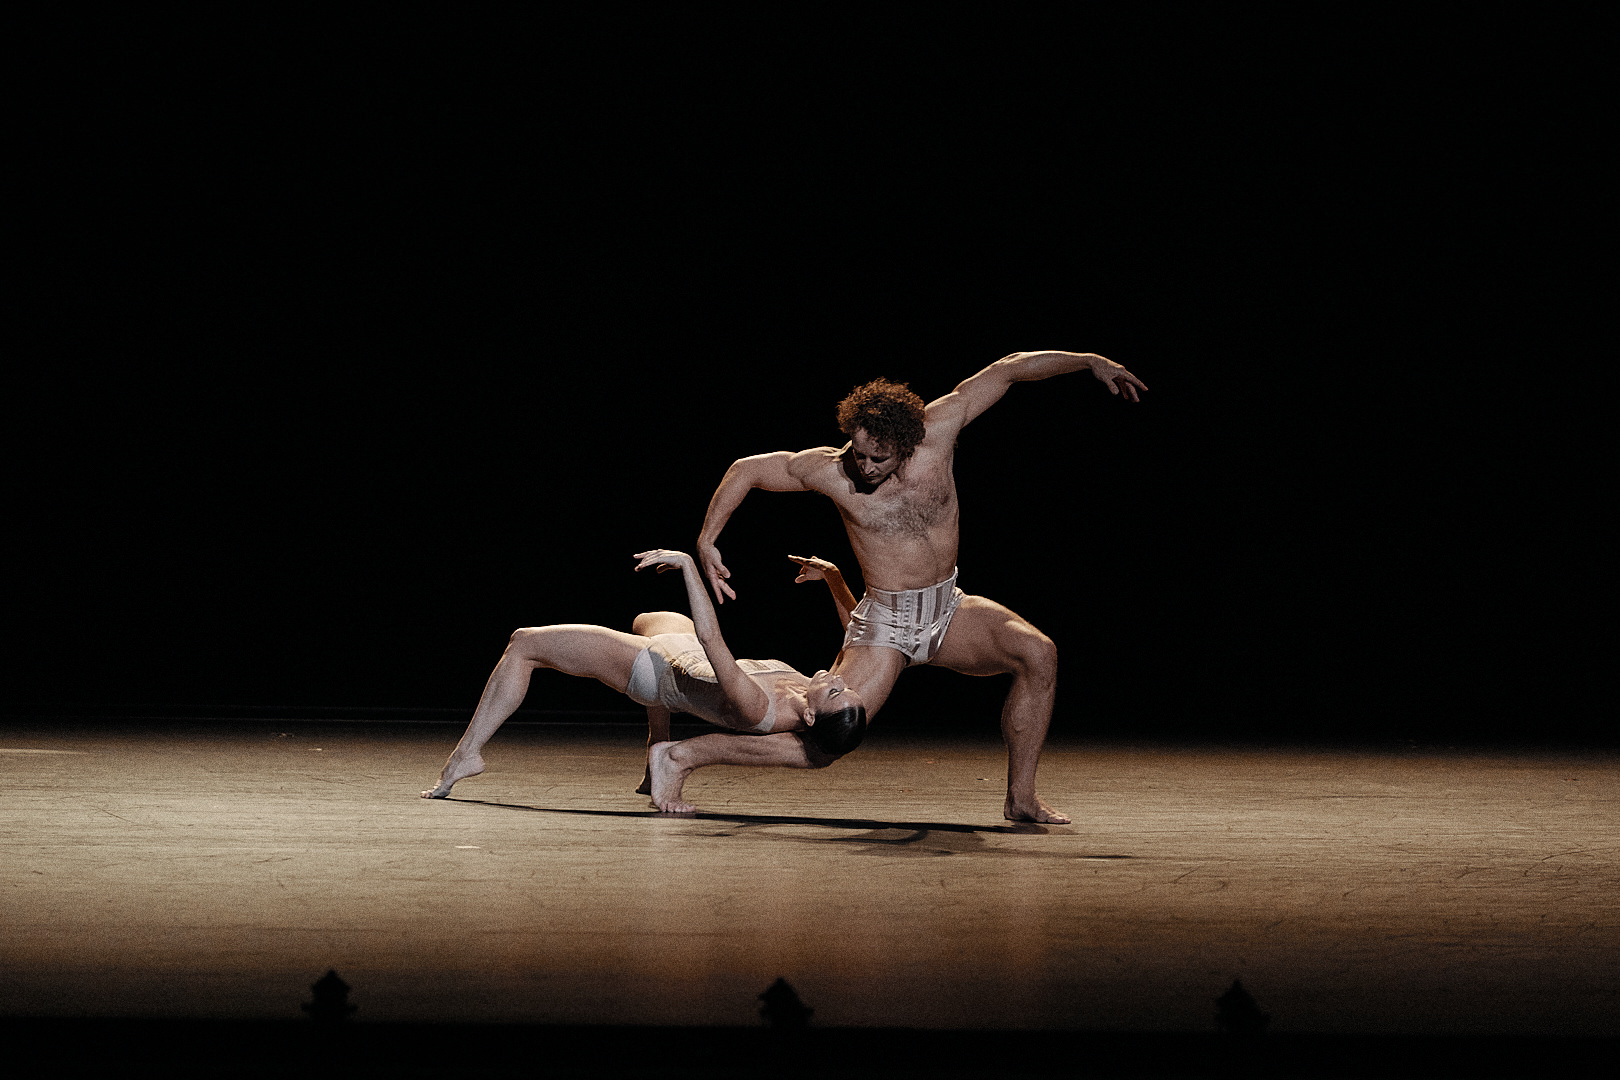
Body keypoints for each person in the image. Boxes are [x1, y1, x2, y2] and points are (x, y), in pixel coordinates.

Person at [666, 351, 1148, 824]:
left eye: (880, 457)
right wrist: (708, 538)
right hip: (886, 625)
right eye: (859, 453)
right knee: (829, 741)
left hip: (948, 607)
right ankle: (684, 756)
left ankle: (1021, 799)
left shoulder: (939, 431)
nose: (866, 466)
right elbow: (747, 469)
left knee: (1039, 654)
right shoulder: (831, 472)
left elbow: (1010, 369)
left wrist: (1088, 361)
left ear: (908, 443)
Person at [420, 549, 867, 802]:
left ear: (810, 717)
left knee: (525, 643)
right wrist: (833, 577)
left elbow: (715, 645)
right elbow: (855, 636)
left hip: (653, 671)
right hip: (681, 652)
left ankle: (466, 756)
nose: (838, 681)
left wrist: (689, 566)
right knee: (646, 616)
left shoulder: (759, 708)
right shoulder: (805, 689)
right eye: (844, 687)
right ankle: (654, 751)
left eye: (835, 694)